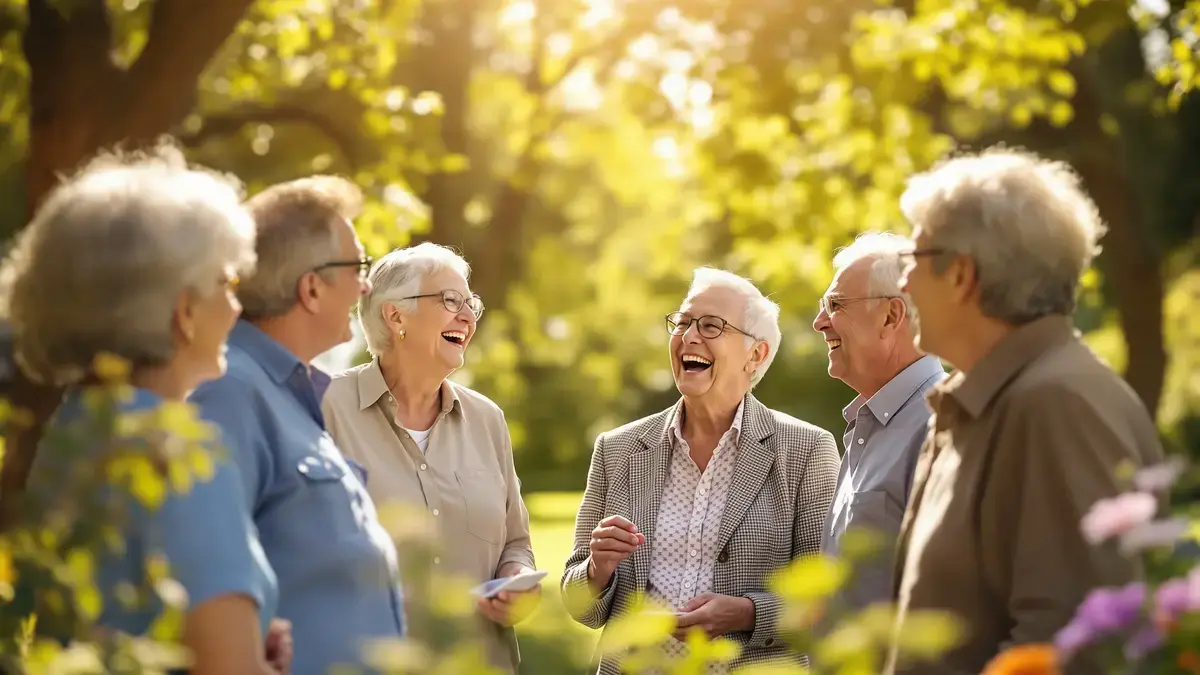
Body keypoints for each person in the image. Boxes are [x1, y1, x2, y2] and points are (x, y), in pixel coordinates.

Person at [0, 145, 287, 674]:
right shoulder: (177, 452)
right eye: (226, 283)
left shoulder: (69, 433)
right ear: (184, 310)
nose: (237, 306)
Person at [886, 148, 1164, 674]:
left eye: (912, 260)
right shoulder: (988, 399)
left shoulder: (1056, 406)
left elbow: (1071, 647)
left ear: (961, 274)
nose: (903, 283)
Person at [561, 268, 840, 673]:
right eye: (683, 322)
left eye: (711, 326)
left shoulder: (806, 450)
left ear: (756, 354)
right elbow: (579, 607)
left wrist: (745, 613)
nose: (689, 337)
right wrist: (597, 568)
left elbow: (823, 599)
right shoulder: (617, 449)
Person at [189, 176, 405, 675]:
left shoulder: (287, 393)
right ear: (311, 287)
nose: (366, 284)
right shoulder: (228, 394)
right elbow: (203, 585)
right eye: (358, 267)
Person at [322, 243, 537, 672]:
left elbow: (516, 543)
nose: (468, 315)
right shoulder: (324, 406)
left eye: (471, 303)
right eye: (450, 301)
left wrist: (517, 583)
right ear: (395, 315)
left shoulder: (487, 419)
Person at [812, 233, 946, 615]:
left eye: (835, 305)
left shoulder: (942, 425)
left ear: (891, 316)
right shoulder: (865, 427)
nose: (819, 322)